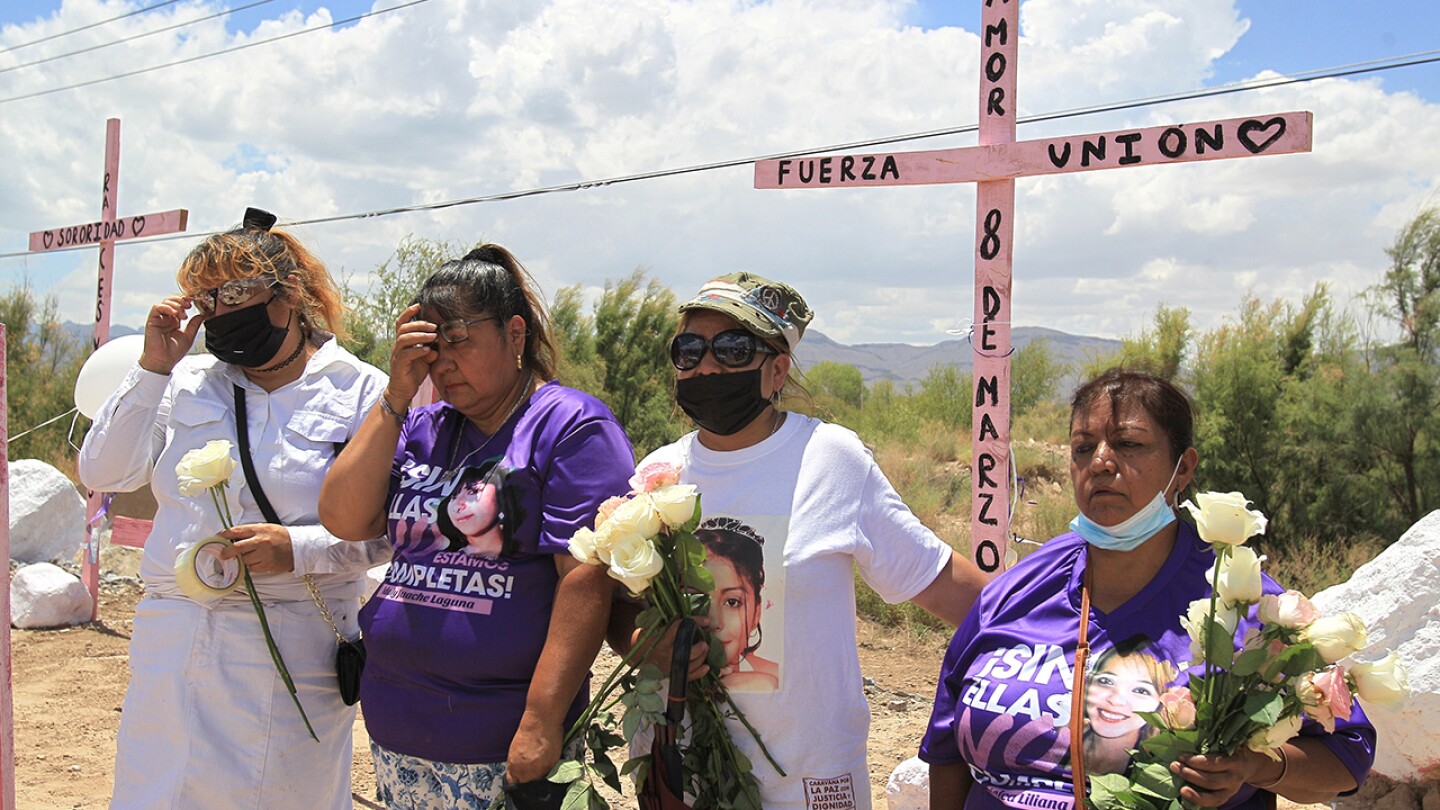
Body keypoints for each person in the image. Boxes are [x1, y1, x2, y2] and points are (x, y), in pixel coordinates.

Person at [612, 272, 988, 810]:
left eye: (734, 348)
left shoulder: (831, 458)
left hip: (810, 784)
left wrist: (1058, 633)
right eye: (689, 349)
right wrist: (646, 645)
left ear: (778, 370)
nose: (708, 365)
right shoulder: (659, 474)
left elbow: (940, 580)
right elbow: (624, 612)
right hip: (684, 779)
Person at [920, 368, 1376, 809]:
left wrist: (1252, 766)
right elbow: (947, 752)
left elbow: (1346, 758)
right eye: (1083, 447)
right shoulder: (1013, 594)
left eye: (1129, 445)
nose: (1100, 462)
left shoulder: (1242, 606)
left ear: (1183, 469)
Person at [78, 208, 391, 809]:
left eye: (238, 292)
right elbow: (104, 472)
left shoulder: (361, 391)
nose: (221, 312)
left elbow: (389, 536)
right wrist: (152, 367)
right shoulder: (187, 380)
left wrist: (296, 550)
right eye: (208, 298)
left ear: (289, 293)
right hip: (175, 642)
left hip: (291, 648)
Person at [317, 244, 634, 809]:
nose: (442, 362)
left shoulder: (570, 425)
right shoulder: (422, 426)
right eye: (430, 346)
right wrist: (394, 395)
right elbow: (344, 518)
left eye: (458, 338)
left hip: (499, 738)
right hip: (399, 728)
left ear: (515, 334)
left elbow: (584, 579)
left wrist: (540, 722)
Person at [696, 517, 780, 692]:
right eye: (697, 597)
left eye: (732, 602)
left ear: (756, 612)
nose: (714, 621)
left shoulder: (779, 679)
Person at [1075, 643, 1175, 776]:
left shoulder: (1166, 764)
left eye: (1140, 690)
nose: (1116, 700)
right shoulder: (1055, 738)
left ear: (1160, 703)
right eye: (1106, 681)